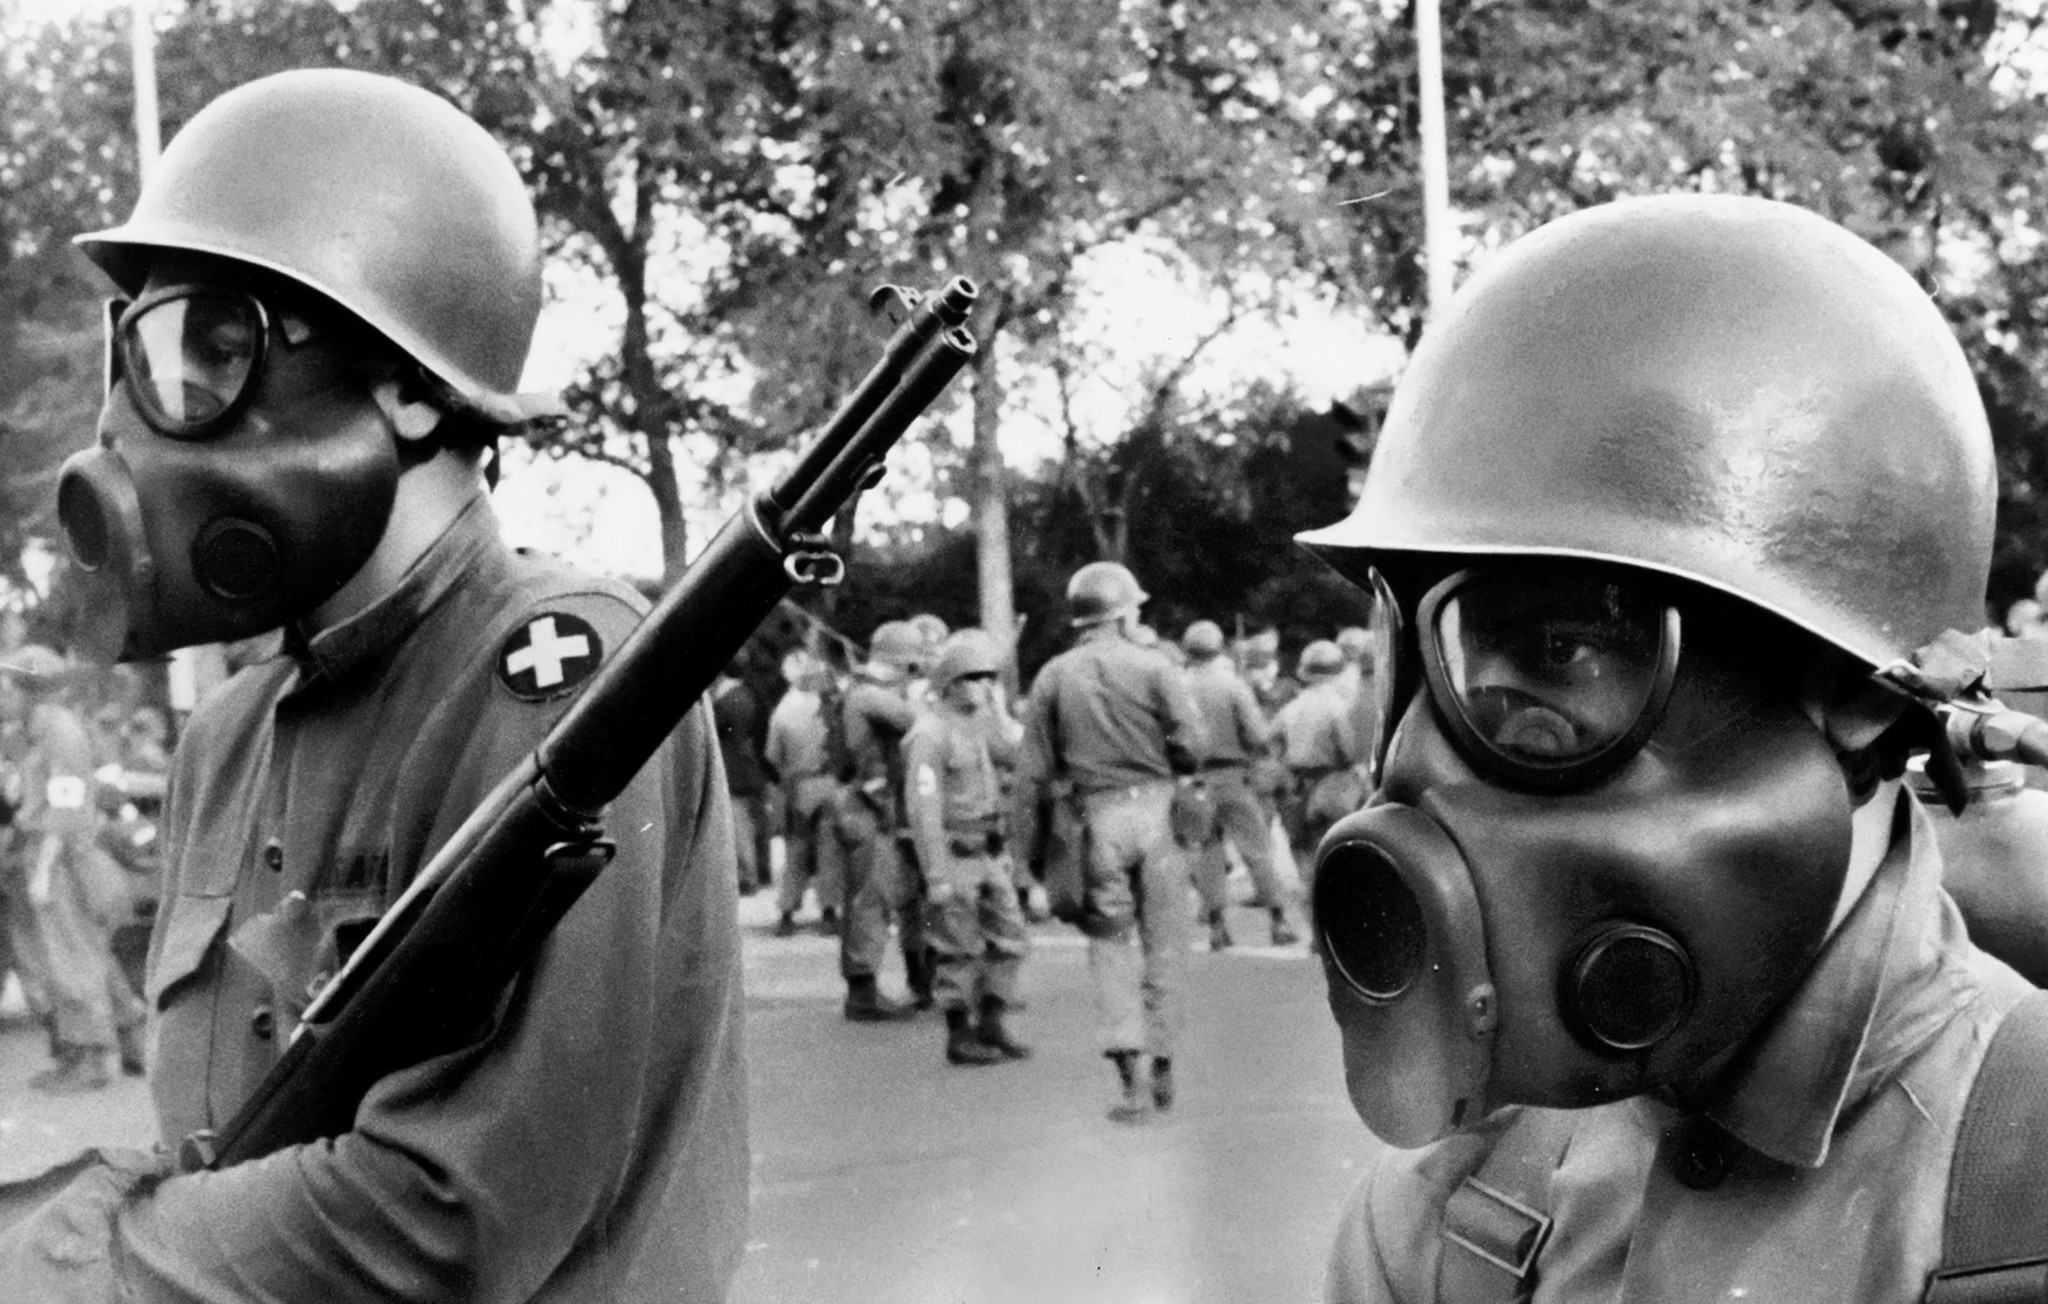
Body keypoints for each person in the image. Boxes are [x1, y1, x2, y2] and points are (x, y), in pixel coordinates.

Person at [0, 69, 746, 1301]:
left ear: (408, 386)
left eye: (209, 351)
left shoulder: (563, 681)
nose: (138, 427)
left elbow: (450, 1212)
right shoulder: (231, 735)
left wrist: (81, 1258)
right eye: (136, 354)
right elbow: (223, 1153)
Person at [1298, 194, 2044, 1301]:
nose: (1418, 764)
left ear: (1863, 694)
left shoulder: (2017, 1189)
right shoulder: (1442, 1215)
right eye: (1425, 655)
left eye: (1561, 644)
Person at [1014, 560, 1205, 1121]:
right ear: (1122, 613)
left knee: (1110, 947)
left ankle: (1132, 1079)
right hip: (1158, 814)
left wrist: (1026, 857)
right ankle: (1165, 1060)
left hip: (1093, 822)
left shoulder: (1052, 675)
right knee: (1165, 945)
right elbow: (1191, 745)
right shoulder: (1156, 667)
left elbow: (1032, 774)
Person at [0, 646, 144, 1094]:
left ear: (33, 690)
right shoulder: (29, 732)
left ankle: (94, 1062)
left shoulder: (60, 732)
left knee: (69, 957)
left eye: (7, 687)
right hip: (42, 851)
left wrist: (42, 872)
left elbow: (66, 809)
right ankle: (130, 1037)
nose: (0, 695)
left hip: (61, 858)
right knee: (86, 952)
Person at [904, 629, 1032, 1065]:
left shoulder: (981, 724)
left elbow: (1019, 754)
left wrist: (999, 712)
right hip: (955, 854)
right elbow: (923, 809)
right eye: (976, 678)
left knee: (1010, 939)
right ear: (952, 682)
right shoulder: (930, 734)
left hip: (990, 851)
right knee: (958, 948)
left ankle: (992, 1021)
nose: (985, 686)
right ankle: (960, 1034)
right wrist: (935, 874)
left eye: (990, 679)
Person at [825, 619, 930, 1020]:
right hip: (864, 806)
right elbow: (915, 721)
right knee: (872, 898)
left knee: (875, 896)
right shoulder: (869, 695)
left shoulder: (861, 690)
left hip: (861, 804)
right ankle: (863, 991)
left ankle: (865, 985)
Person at [1179, 619, 1300, 949]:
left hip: (1194, 779)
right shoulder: (1232, 685)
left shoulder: (1176, 684)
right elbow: (1258, 734)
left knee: (1208, 852)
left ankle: (1217, 926)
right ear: (1219, 647)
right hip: (1233, 775)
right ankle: (1278, 920)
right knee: (1258, 849)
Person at [1270, 639, 1366, 880]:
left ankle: (1310, 899)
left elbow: (1271, 741)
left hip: (1295, 785)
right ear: (1338, 669)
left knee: (1301, 849)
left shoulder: (1291, 708)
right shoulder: (1339, 707)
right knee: (1335, 846)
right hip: (1330, 782)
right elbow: (1349, 752)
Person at [766, 647, 842, 936]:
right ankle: (828, 912)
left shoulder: (783, 711)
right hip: (829, 782)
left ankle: (787, 913)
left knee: (796, 850)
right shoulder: (830, 708)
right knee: (829, 850)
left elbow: (772, 756)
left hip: (798, 787)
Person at [712, 662, 772, 895]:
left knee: (740, 828)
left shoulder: (727, 701)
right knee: (758, 824)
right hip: (753, 769)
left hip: (734, 771)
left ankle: (747, 877)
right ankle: (763, 870)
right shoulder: (749, 695)